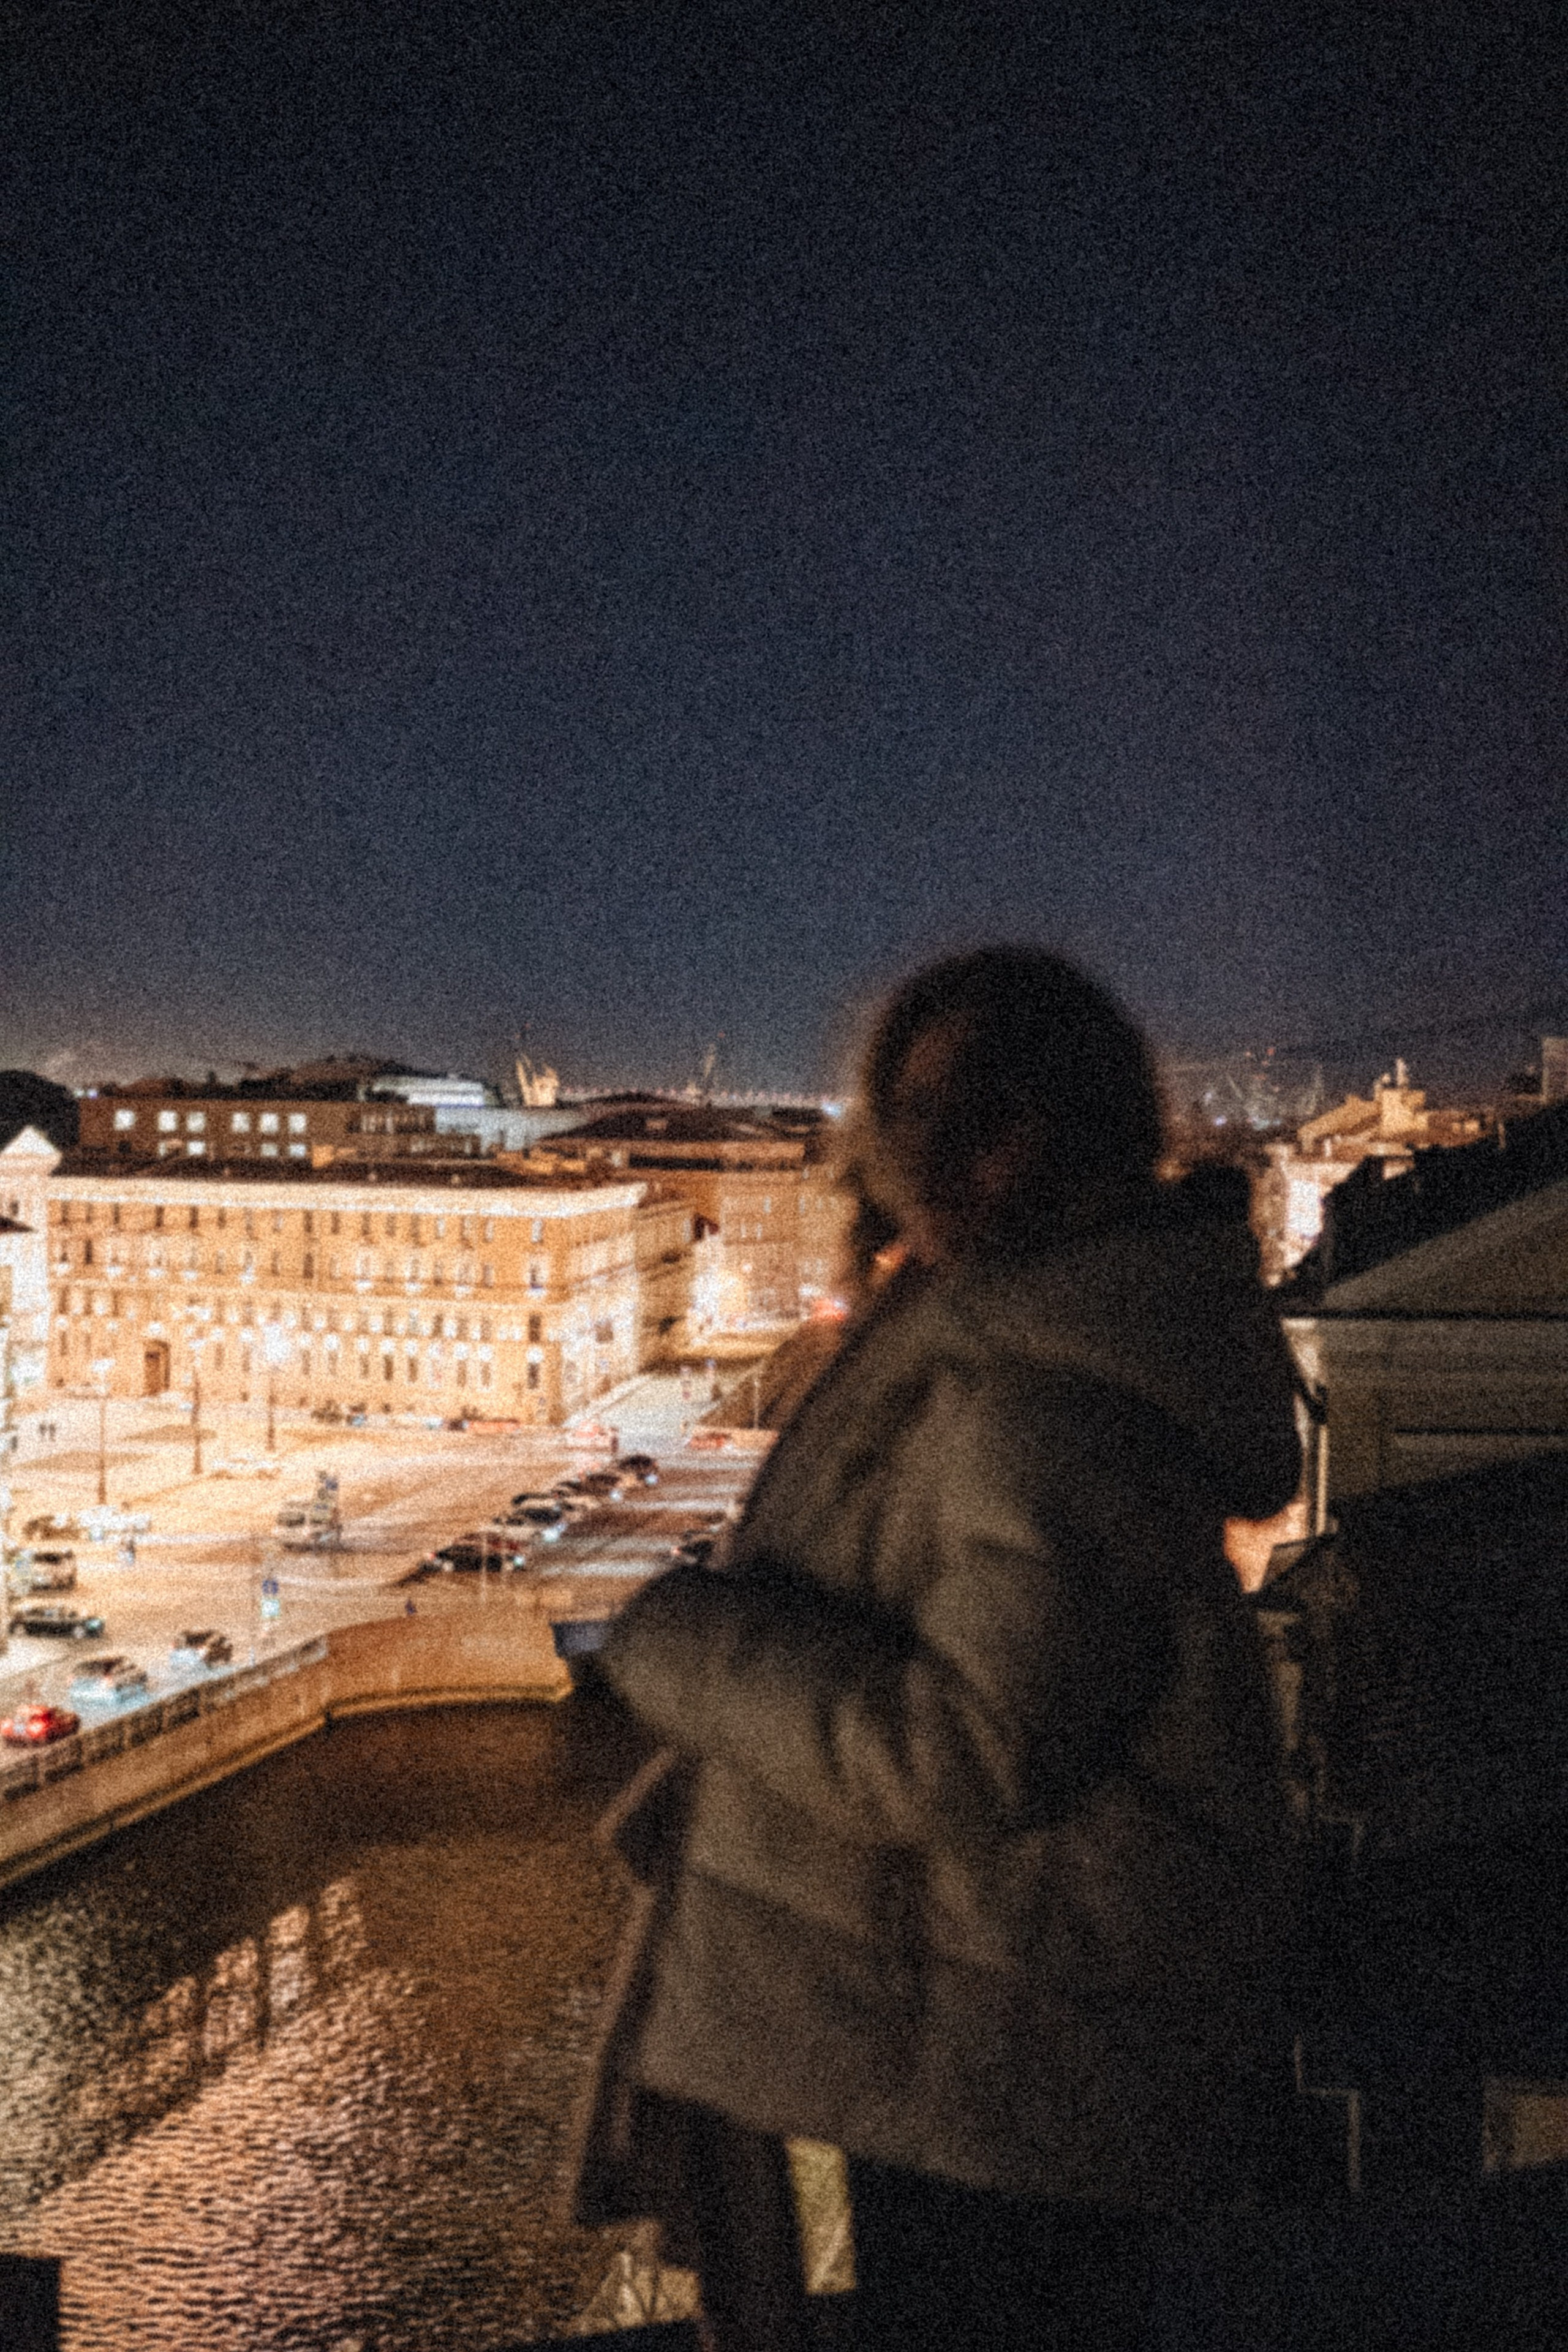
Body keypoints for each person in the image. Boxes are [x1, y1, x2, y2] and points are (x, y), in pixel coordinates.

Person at [583, 948, 1304, 2351]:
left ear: (1081, 1132)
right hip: (994, 2027)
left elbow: (965, 1752)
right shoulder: (1017, 1337)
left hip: (1002, 2064)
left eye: (1001, 1104)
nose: (957, 1147)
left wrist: (677, 1646)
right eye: (920, 1108)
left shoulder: (1038, 1396)